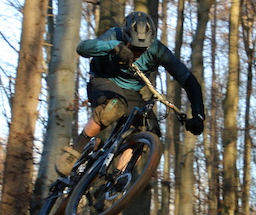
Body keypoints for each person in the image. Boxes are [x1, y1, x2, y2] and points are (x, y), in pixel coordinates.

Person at [56, 11, 205, 176]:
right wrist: (113, 47)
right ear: (126, 37)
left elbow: (189, 81)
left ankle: (117, 177)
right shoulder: (115, 35)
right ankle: (75, 150)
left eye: (142, 49)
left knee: (149, 131)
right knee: (115, 107)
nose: (137, 53)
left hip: (132, 92)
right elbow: (83, 48)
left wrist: (198, 115)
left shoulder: (158, 50)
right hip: (103, 81)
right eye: (133, 47)